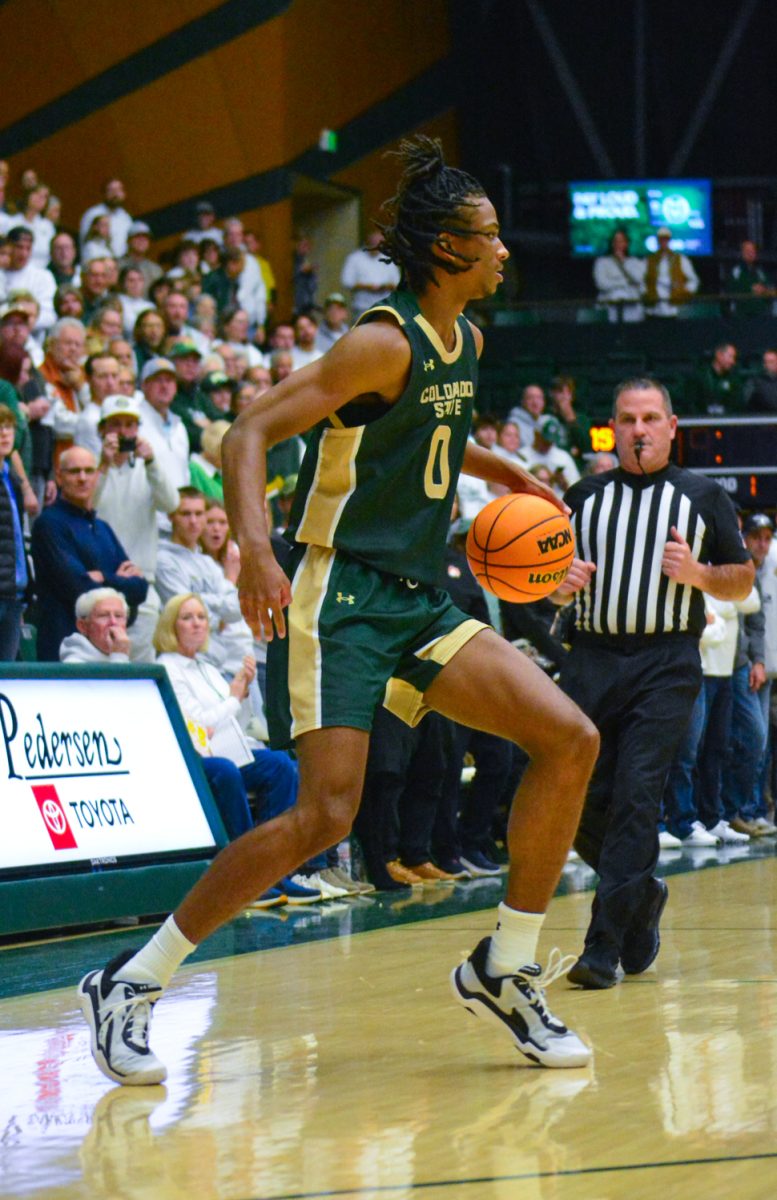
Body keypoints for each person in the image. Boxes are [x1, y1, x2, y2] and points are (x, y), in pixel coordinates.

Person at [77, 136, 599, 1086]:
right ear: (447, 249)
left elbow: (423, 432)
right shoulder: (377, 339)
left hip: (415, 597)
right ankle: (130, 980)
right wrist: (257, 553)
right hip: (341, 596)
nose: (503, 252)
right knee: (324, 815)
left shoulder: (465, 340)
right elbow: (247, 432)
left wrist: (500, 468)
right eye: (487, 238)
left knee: (567, 738)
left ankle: (505, 967)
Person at [554, 377, 754, 990]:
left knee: (638, 794)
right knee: (583, 799)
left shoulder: (703, 497)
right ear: (611, 428)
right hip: (588, 658)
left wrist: (697, 573)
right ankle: (640, 901)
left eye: (650, 418)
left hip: (666, 662)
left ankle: (602, 947)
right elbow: (539, 581)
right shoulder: (580, 496)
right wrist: (556, 584)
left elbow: (742, 579)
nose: (638, 429)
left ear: (671, 427)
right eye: (626, 419)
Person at [30, 445, 148, 661]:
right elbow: (79, 589)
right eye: (74, 471)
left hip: (107, 652)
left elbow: (141, 589)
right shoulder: (49, 524)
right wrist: (120, 582)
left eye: (89, 471)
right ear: (59, 476)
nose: (82, 478)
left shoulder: (102, 527)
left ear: (97, 475)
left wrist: (104, 578)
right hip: (63, 653)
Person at [0, 403, 29, 661]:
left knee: (6, 678)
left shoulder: (12, 479)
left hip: (14, 594)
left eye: (8, 427)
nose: (4, 434)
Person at [340, 228, 401, 318]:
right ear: (367, 242)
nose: (376, 246)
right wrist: (367, 287)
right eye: (373, 243)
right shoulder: (355, 258)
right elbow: (346, 281)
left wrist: (385, 286)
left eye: (379, 243)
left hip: (385, 307)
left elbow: (397, 283)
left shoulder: (388, 258)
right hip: (362, 307)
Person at [59, 587, 132, 663]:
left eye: (118, 615)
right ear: (83, 626)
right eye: (103, 615)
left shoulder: (123, 656)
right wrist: (119, 657)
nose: (113, 622)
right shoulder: (73, 663)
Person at [643, 227, 698, 318]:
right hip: (653, 308)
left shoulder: (680, 259)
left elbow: (694, 280)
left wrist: (685, 292)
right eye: (661, 239)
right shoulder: (649, 260)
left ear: (669, 240)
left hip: (674, 308)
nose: (664, 242)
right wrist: (646, 293)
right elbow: (642, 280)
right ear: (658, 241)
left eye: (666, 239)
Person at [593, 229, 645, 322]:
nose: (618, 244)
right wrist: (626, 282)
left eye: (621, 241)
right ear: (612, 244)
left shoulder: (635, 262)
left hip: (632, 307)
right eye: (616, 241)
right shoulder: (602, 262)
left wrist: (623, 264)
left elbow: (639, 280)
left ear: (626, 243)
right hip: (609, 305)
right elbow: (602, 284)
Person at [727, 240, 774, 316]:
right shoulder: (736, 271)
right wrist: (750, 288)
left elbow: (768, 285)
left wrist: (764, 289)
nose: (750, 254)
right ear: (742, 253)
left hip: (762, 314)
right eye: (747, 251)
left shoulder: (759, 271)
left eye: (752, 251)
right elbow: (731, 288)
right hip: (743, 315)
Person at [745, 349, 777, 413]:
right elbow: (746, 402)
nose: (768, 365)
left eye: (771, 362)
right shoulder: (754, 382)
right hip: (762, 418)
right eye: (765, 362)